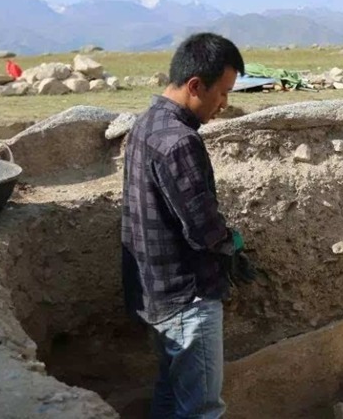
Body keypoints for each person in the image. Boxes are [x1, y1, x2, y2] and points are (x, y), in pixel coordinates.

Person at [121, 32, 255, 419]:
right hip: (187, 298)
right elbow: (203, 230)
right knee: (201, 408)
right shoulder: (181, 142)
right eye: (224, 93)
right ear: (196, 85)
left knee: (169, 392)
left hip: (154, 290)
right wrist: (232, 244)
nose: (224, 104)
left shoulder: (146, 125)